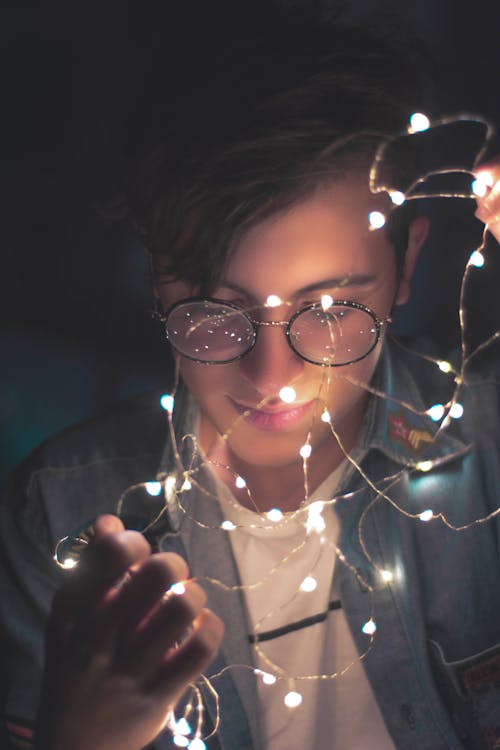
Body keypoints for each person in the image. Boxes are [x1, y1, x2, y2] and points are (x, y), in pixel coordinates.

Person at [2, 7, 500, 749]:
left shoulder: (489, 454)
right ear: (157, 282)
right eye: (216, 309)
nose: (272, 376)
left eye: (330, 308)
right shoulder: (63, 515)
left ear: (408, 266)